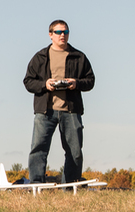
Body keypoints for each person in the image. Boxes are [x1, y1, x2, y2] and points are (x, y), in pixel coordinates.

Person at [23, 20, 95, 184]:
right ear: (50, 35)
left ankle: (70, 186)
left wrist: (76, 83)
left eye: (65, 32)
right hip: (45, 112)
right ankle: (36, 185)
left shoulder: (79, 57)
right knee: (38, 149)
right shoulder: (40, 57)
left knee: (74, 152)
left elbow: (90, 81)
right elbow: (28, 81)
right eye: (58, 32)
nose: (62, 35)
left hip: (71, 111)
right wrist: (44, 84)